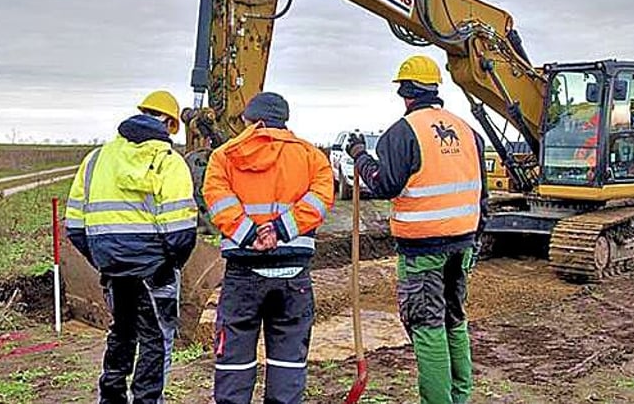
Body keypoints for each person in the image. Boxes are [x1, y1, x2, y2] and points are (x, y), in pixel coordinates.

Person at [345, 55, 487, 404]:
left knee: (427, 325)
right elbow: (483, 192)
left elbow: (385, 184)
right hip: (463, 243)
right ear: (435, 89)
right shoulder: (469, 132)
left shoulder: (403, 132)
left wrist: (360, 156)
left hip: (423, 250)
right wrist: (476, 238)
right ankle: (459, 396)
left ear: (405, 93)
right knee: (455, 318)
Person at [64, 90, 198, 404]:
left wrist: (102, 259)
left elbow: (74, 225)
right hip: (155, 271)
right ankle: (147, 400)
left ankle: (110, 398)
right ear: (167, 121)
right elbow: (180, 231)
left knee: (121, 333)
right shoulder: (169, 162)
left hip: (113, 268)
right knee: (155, 339)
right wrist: (171, 264)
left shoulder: (96, 159)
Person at [203, 92, 334, 404]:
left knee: (234, 363)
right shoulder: (312, 157)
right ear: (284, 121)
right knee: (288, 363)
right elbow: (319, 201)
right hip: (294, 276)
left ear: (252, 120)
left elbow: (218, 202)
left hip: (243, 273)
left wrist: (251, 235)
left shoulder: (224, 156)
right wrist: (280, 230)